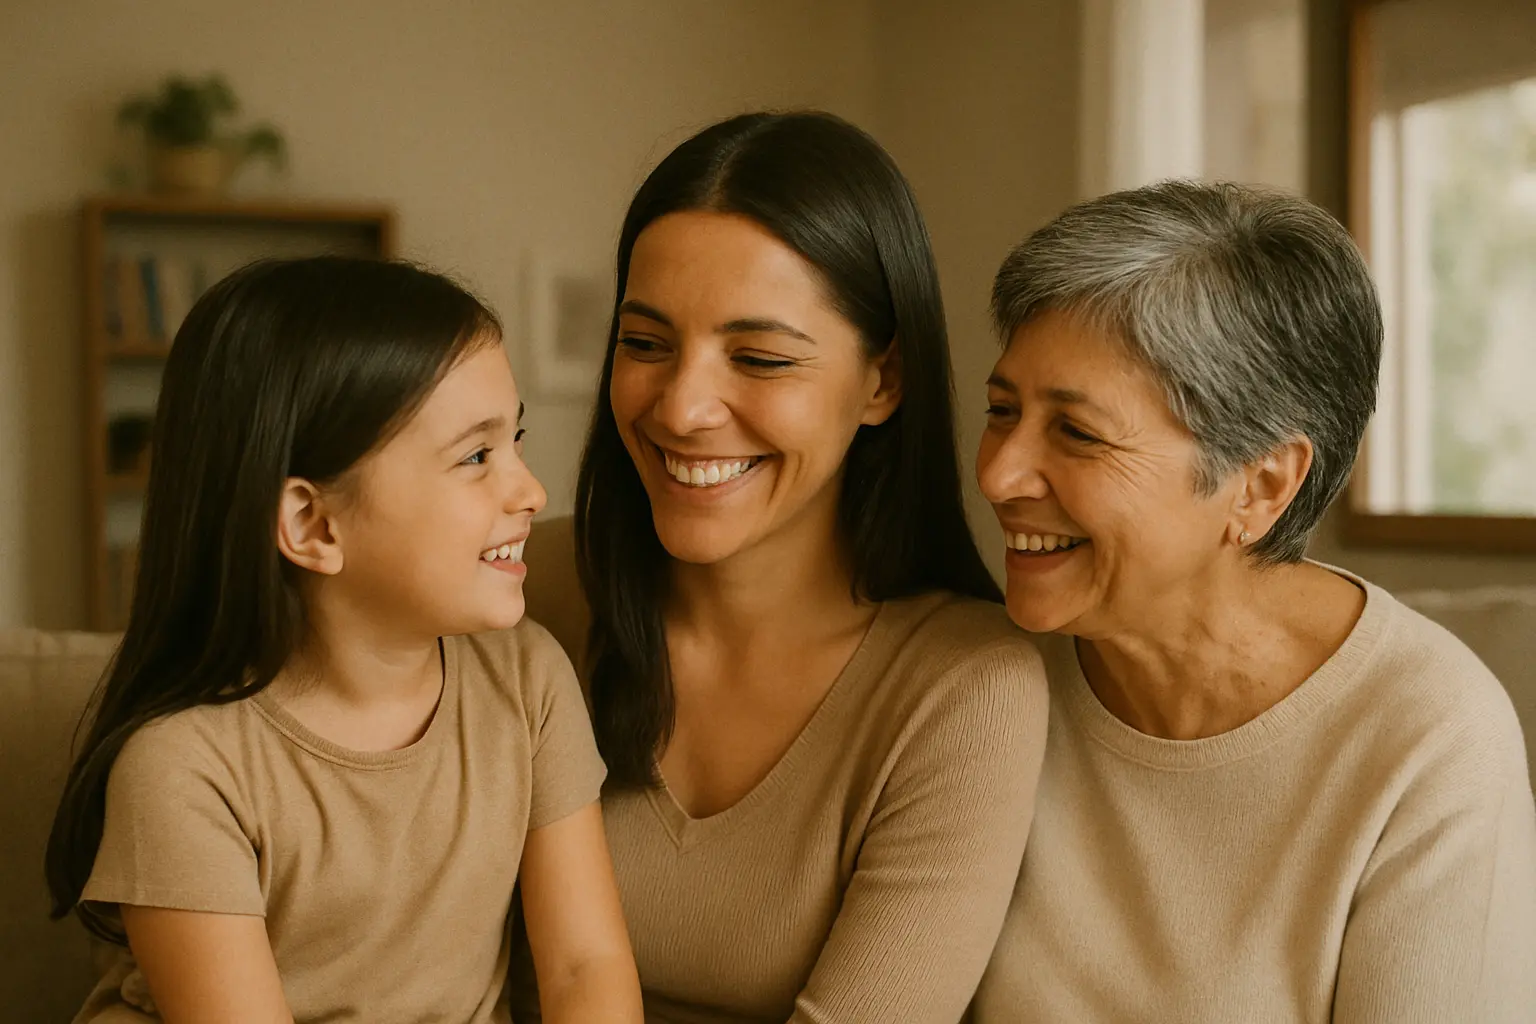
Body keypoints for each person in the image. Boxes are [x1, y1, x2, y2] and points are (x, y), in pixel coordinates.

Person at [512, 110, 1049, 1022]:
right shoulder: (519, 590)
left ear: (883, 382)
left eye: (758, 357)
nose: (681, 408)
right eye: (644, 344)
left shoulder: (966, 690)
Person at [969, 180, 1536, 1022]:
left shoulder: (1428, 740)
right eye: (1001, 410)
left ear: (1261, 484)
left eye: (1077, 433)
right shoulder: (974, 678)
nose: (998, 474)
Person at [45, 257, 642, 1023]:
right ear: (312, 525)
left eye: (514, 441)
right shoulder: (184, 770)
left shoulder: (526, 677)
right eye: (475, 457)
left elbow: (583, 969)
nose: (530, 491)